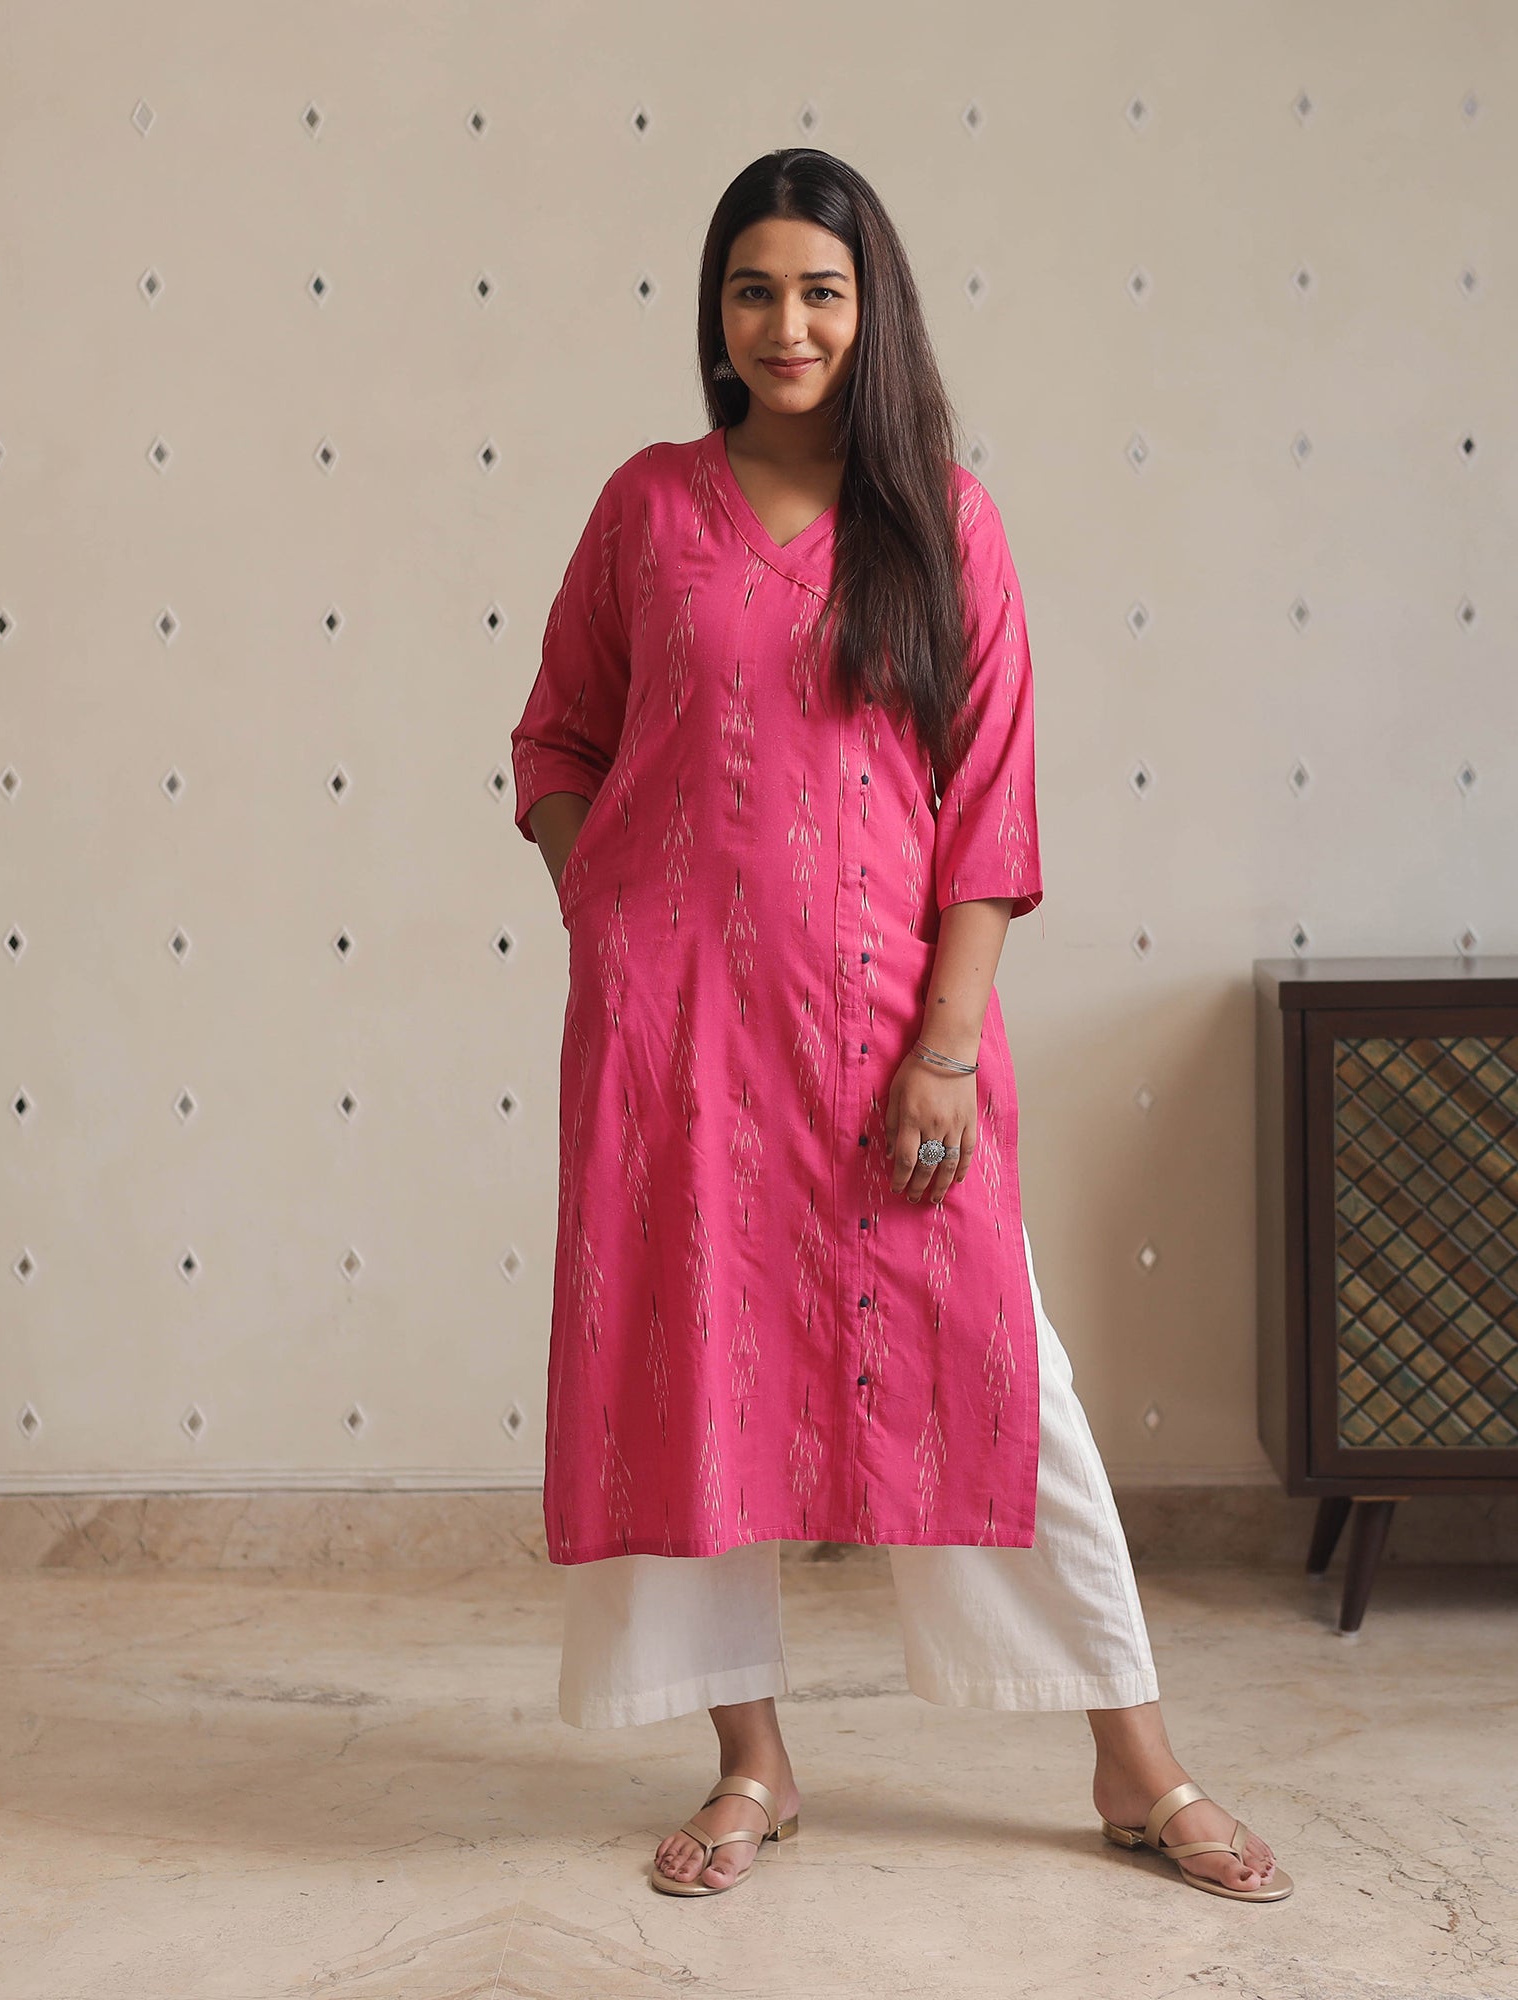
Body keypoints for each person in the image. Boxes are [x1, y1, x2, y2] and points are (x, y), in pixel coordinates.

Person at [508, 147, 1288, 1905]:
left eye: (820, 292)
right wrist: (606, 905)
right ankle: (750, 1762)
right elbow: (559, 731)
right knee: (682, 1377)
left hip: (883, 1043)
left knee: (1004, 1382)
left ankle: (1136, 1763)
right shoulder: (647, 508)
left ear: (874, 313)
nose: (785, 326)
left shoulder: (942, 519)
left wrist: (944, 1048)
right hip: (677, 1049)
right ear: (715, 312)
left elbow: (989, 804)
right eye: (754, 291)